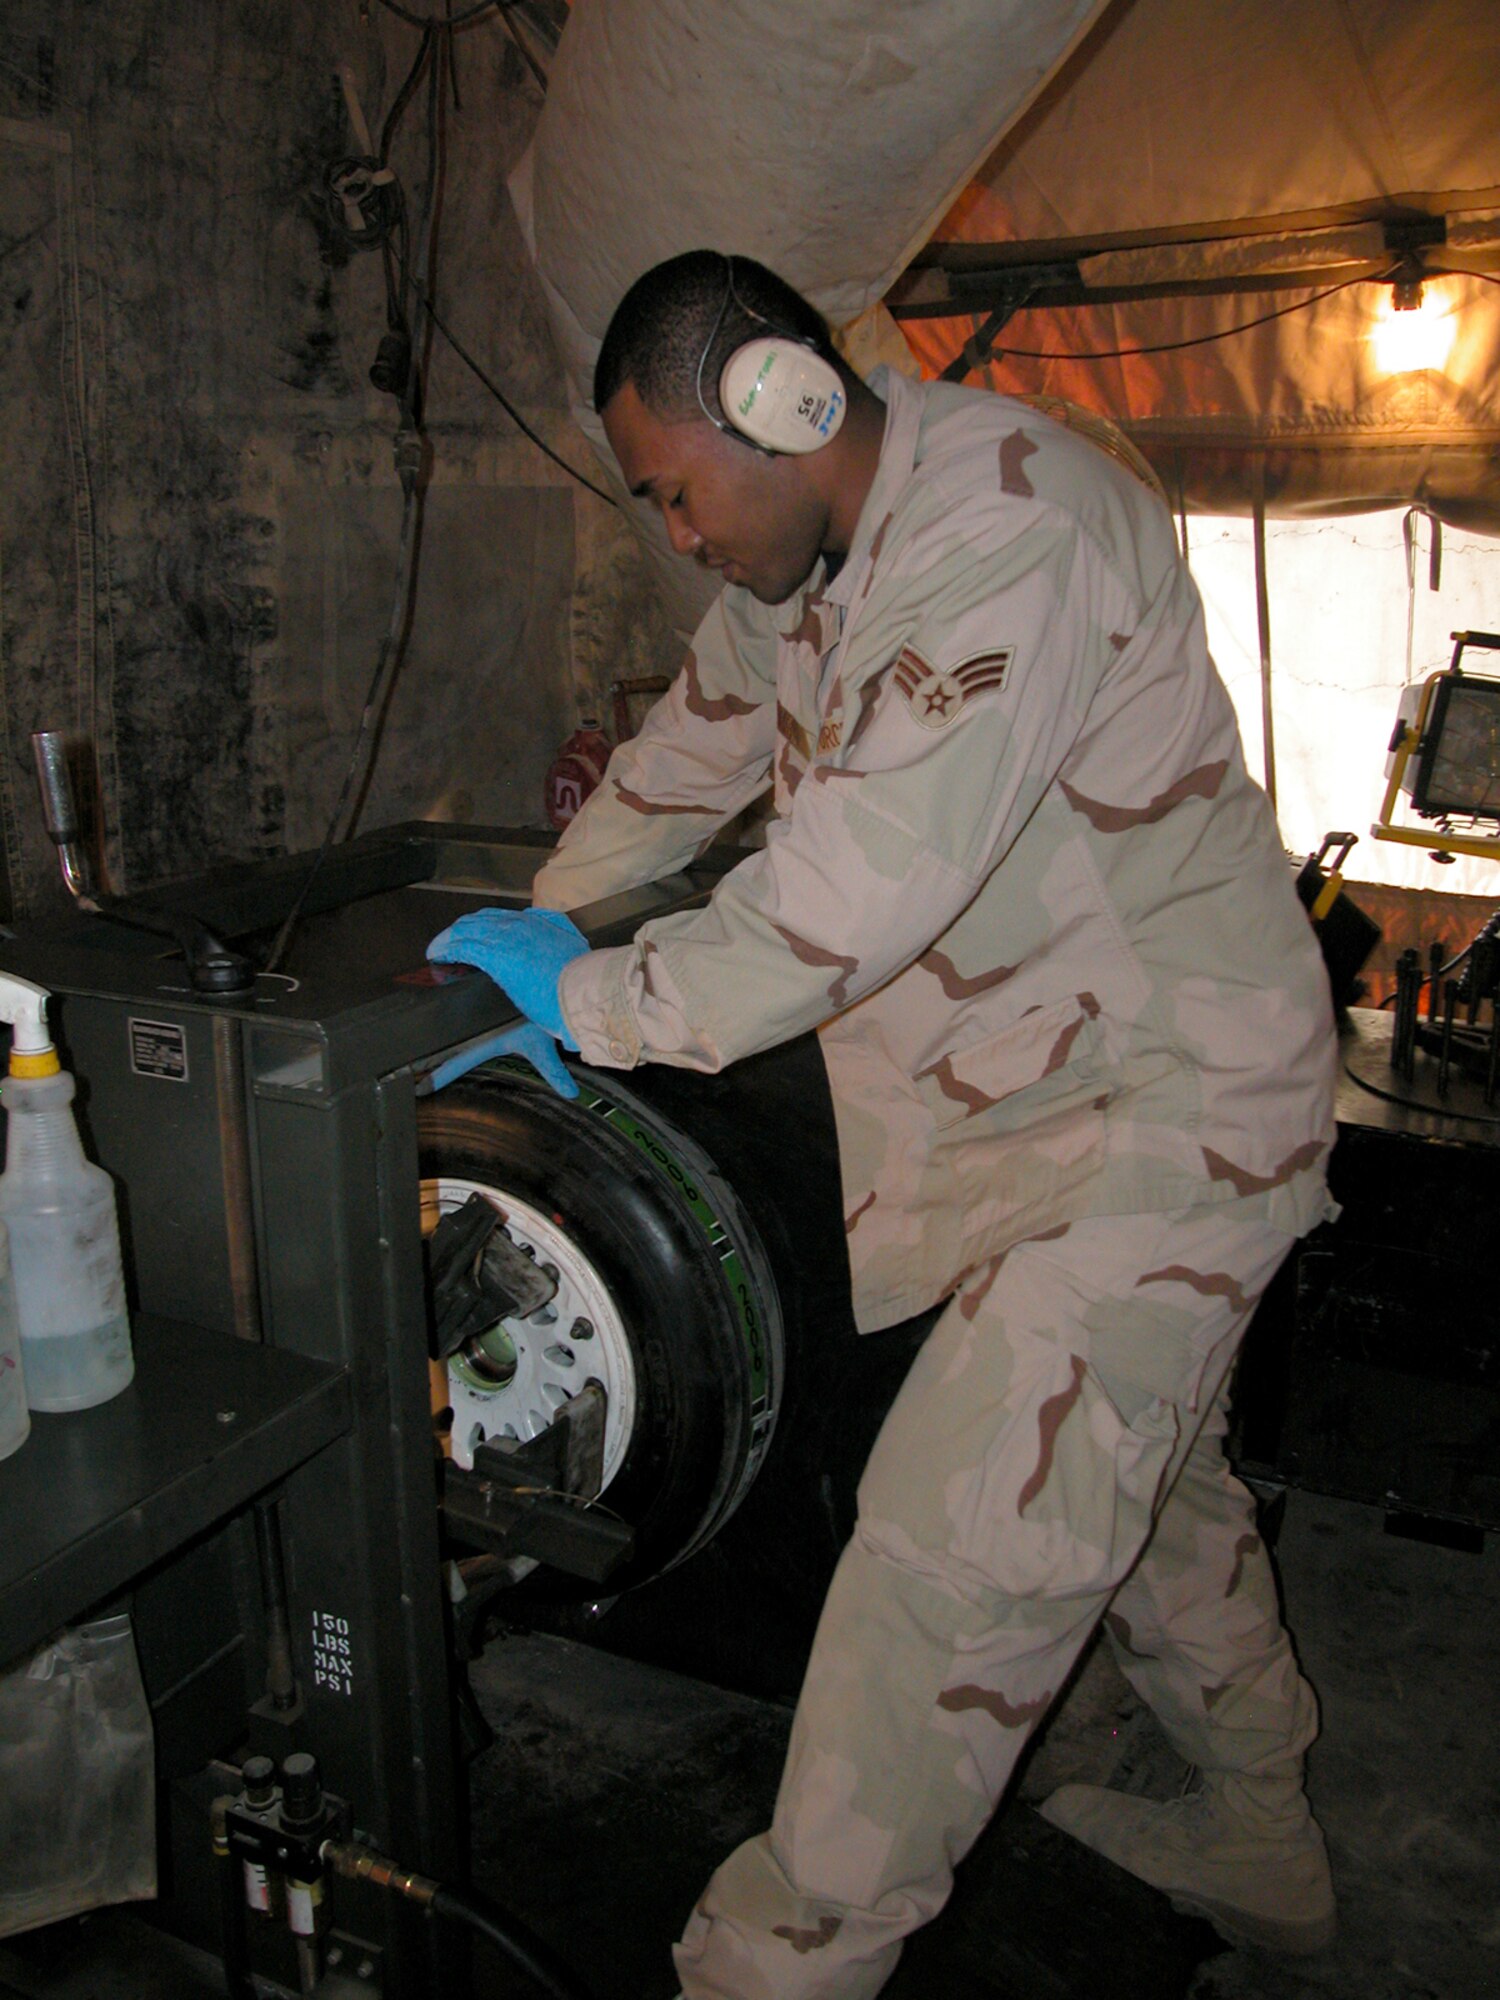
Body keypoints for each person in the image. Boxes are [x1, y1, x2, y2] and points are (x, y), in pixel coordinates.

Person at [428, 250, 1340, 2000]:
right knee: (1146, 1493)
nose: (680, 537)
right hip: (1034, 1097)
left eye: (676, 494)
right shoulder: (806, 565)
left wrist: (598, 1004)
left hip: (1172, 1109)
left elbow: (833, 914)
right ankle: (1266, 1846)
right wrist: (536, 933)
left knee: (949, 1561)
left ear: (781, 405)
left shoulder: (1012, 533)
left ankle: (776, 1968)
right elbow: (685, 754)